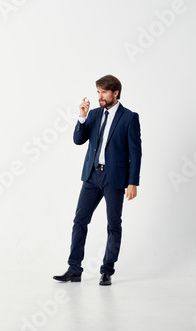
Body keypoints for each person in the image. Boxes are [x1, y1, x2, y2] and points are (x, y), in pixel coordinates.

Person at [53, 75, 142, 286]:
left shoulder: (129, 117)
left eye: (103, 92)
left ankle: (107, 270)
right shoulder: (92, 114)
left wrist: (133, 182)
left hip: (115, 179)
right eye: (98, 92)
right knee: (80, 221)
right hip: (92, 176)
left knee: (113, 224)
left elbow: (135, 153)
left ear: (115, 93)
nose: (100, 97)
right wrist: (81, 117)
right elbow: (78, 140)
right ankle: (74, 269)